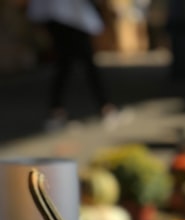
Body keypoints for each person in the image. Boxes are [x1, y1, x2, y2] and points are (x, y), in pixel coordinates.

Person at [26, 0, 118, 130]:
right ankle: (105, 107)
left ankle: (56, 111)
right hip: (68, 16)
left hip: (60, 15)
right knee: (83, 64)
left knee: (66, 65)